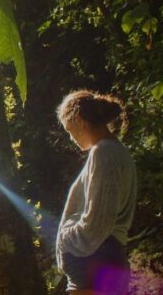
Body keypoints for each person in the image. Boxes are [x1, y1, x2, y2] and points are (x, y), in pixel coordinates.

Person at [55, 90, 137, 295]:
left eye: (69, 130)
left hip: (94, 260)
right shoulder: (114, 151)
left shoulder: (104, 153)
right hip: (104, 255)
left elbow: (97, 223)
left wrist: (65, 240)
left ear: (80, 121)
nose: (71, 137)